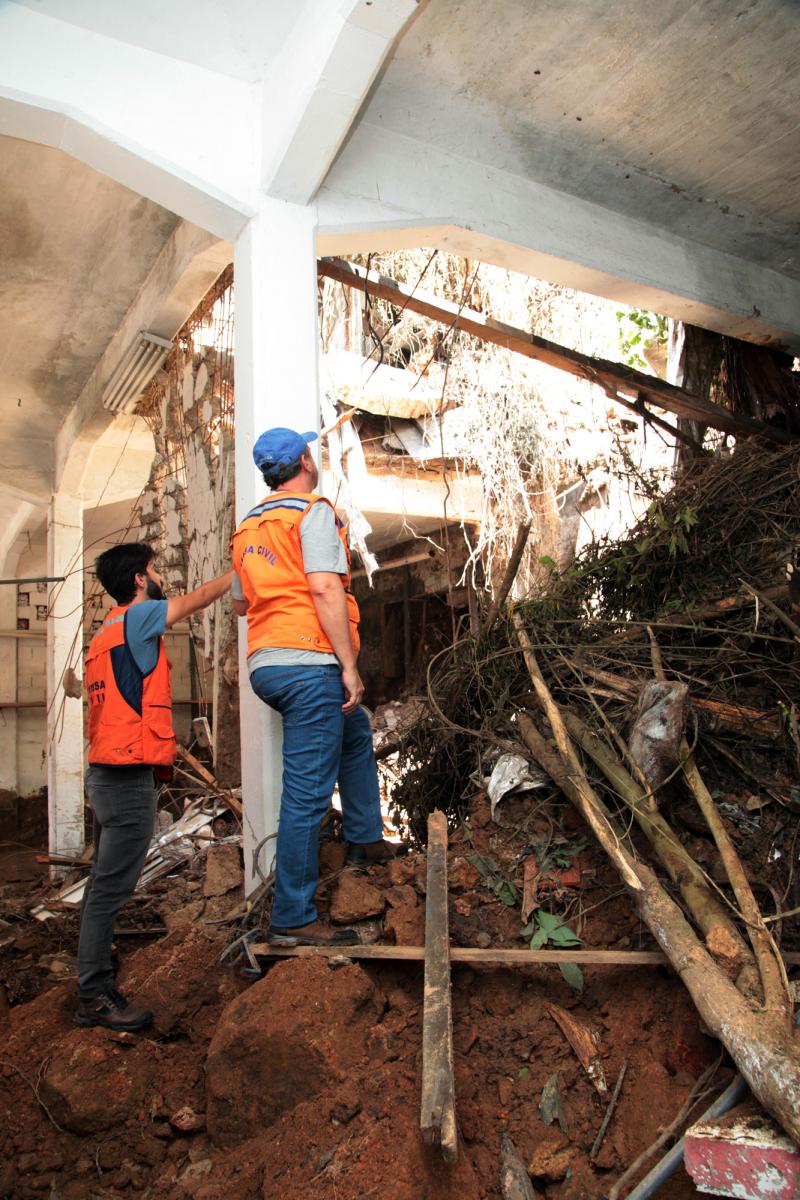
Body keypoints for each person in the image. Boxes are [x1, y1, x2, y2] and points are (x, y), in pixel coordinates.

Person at [231, 426, 402, 947]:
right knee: (306, 793)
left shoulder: (248, 527)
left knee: (355, 729)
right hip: (309, 663)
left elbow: (240, 603)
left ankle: (365, 838)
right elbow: (325, 587)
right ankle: (293, 917)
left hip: (267, 665)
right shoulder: (312, 512)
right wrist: (348, 666)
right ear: (305, 461)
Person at [76, 543, 232, 1031]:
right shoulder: (138, 618)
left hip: (106, 772)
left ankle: (94, 971)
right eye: (154, 569)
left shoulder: (104, 633)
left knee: (101, 884)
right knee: (110, 889)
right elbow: (198, 599)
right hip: (126, 778)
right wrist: (239, 571)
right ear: (140, 579)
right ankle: (93, 994)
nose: (160, 576)